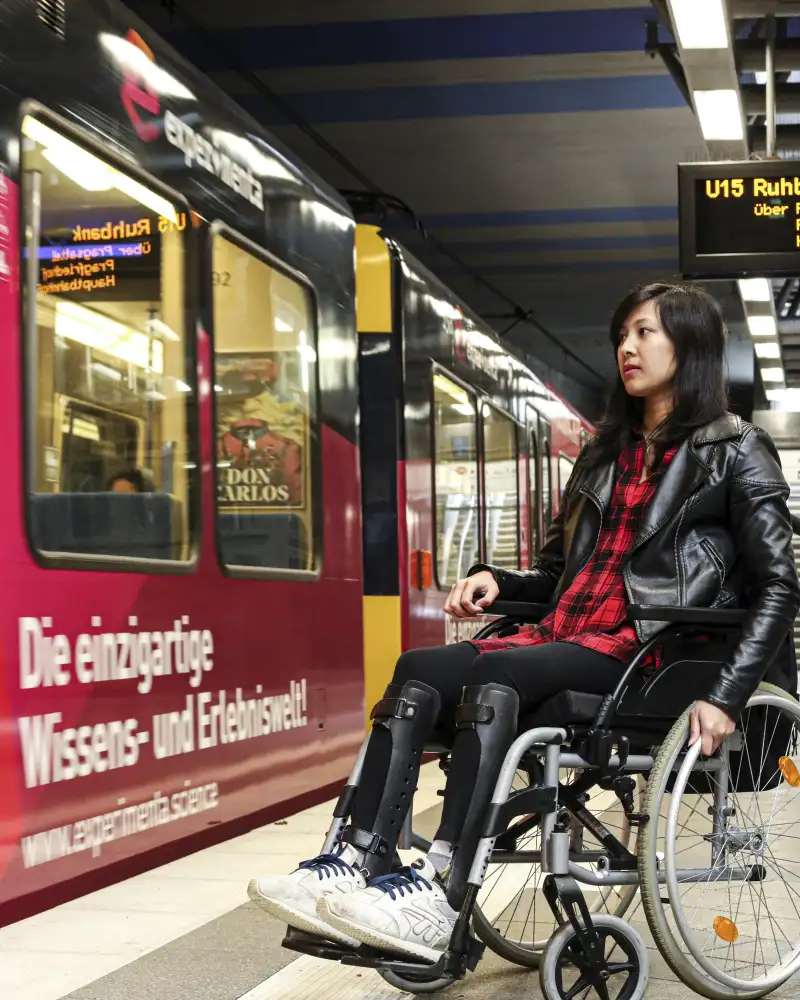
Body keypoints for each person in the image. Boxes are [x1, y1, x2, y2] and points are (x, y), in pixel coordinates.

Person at [248, 283, 800, 962]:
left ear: (691, 347)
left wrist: (726, 697)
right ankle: (358, 859)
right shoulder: (605, 452)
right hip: (563, 636)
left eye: (645, 333)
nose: (627, 347)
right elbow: (556, 576)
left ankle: (441, 888)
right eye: (621, 334)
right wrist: (498, 582)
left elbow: (779, 586)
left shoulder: (737, 449)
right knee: (418, 668)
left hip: (650, 652)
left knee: (499, 672)